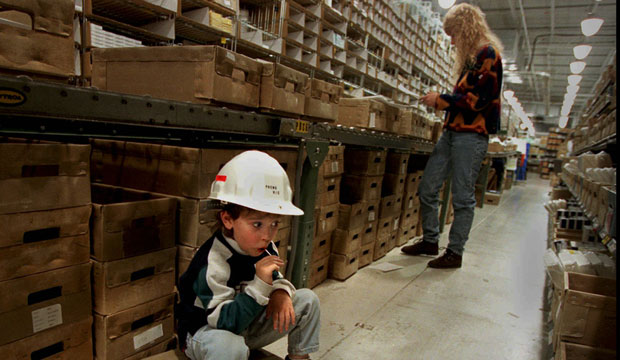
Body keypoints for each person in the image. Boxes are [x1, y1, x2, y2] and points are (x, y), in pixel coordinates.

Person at [176, 150, 320, 360]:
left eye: (274, 223)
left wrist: (280, 291)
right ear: (227, 219)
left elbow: (276, 280)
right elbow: (225, 323)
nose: (267, 235)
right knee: (229, 346)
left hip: (245, 328)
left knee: (307, 300)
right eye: (257, 224)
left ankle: (299, 358)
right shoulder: (212, 262)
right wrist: (261, 284)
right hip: (207, 333)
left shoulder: (265, 247)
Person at [401, 3, 503, 268]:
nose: (453, 41)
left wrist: (441, 99)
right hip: (451, 133)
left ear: (466, 28)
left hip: (471, 136)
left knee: (462, 197)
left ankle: (455, 252)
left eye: (454, 34)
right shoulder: (473, 59)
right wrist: (443, 101)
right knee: (428, 187)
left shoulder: (488, 54)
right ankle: (431, 240)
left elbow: (479, 100)